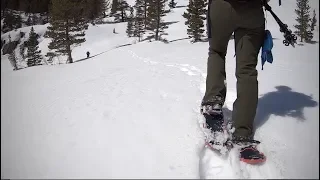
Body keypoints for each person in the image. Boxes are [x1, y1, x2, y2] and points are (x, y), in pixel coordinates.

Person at [201, 0, 266, 164]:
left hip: (222, 7)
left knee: (217, 52)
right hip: (253, 12)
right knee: (247, 70)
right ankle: (243, 132)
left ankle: (213, 103)